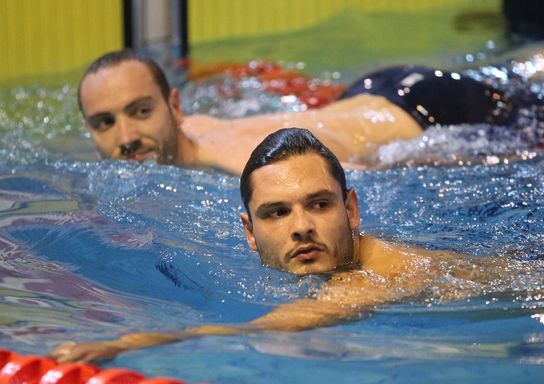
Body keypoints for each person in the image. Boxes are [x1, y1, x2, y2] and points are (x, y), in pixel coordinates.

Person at [52, 127, 507, 363]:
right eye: (276, 212)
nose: (301, 227)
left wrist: (138, 342)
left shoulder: (373, 277)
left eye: (319, 205)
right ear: (249, 233)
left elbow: (268, 329)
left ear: (351, 212)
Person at [78, 49, 535, 175]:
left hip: (429, 108)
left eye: (140, 111)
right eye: (105, 122)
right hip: (363, 93)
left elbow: (370, 179)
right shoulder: (185, 133)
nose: (125, 136)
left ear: (174, 107)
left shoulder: (241, 162)